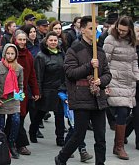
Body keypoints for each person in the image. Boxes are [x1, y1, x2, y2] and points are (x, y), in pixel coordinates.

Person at [55, 16, 112, 165]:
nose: (95, 31)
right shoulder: (74, 50)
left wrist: (102, 81)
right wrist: (88, 66)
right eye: (91, 28)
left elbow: (107, 73)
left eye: (97, 29)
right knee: (79, 135)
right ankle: (61, 158)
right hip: (81, 98)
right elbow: (70, 73)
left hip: (98, 99)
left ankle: (101, 163)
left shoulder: (99, 51)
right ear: (83, 30)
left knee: (101, 137)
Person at [103, 16, 139, 160]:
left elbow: (134, 60)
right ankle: (119, 146)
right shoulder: (110, 40)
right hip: (114, 80)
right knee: (123, 111)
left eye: (124, 30)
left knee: (126, 111)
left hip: (129, 81)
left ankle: (118, 145)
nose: (121, 32)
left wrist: (136, 75)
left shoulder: (131, 41)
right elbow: (104, 61)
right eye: (119, 29)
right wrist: (106, 81)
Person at [29, 32, 65, 146]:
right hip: (46, 90)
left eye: (55, 40)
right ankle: (32, 131)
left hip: (59, 90)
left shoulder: (61, 54)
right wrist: (38, 91)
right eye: (51, 40)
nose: (53, 42)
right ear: (46, 42)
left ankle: (60, 139)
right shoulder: (41, 56)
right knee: (40, 113)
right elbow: (38, 75)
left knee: (60, 116)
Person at [0, 44, 23, 159]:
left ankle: (12, 143)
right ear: (4, 53)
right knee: (0, 124)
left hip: (13, 100)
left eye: (12, 53)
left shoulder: (19, 68)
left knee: (16, 121)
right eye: (8, 53)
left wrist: (20, 94)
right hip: (1, 100)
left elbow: (20, 85)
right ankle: (1, 146)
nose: (10, 56)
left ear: (16, 55)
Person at [11, 30, 39, 155]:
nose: (22, 42)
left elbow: (32, 74)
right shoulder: (11, 53)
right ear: (15, 40)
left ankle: (13, 141)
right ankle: (20, 144)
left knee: (20, 116)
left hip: (24, 91)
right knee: (17, 117)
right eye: (20, 39)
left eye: (24, 40)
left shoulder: (28, 55)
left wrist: (35, 90)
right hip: (12, 91)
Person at [125, 24, 139, 149]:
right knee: (137, 112)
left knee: (135, 114)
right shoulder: (131, 46)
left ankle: (123, 133)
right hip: (134, 82)